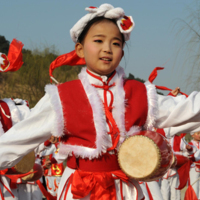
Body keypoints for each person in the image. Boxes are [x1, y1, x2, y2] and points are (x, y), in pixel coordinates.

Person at [1, 3, 200, 200]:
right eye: (98, 41)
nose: (107, 49)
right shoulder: (61, 97)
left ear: (122, 52)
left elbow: (188, 109)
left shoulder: (141, 93)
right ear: (80, 49)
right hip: (79, 191)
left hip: (127, 191)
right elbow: (18, 139)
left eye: (116, 43)